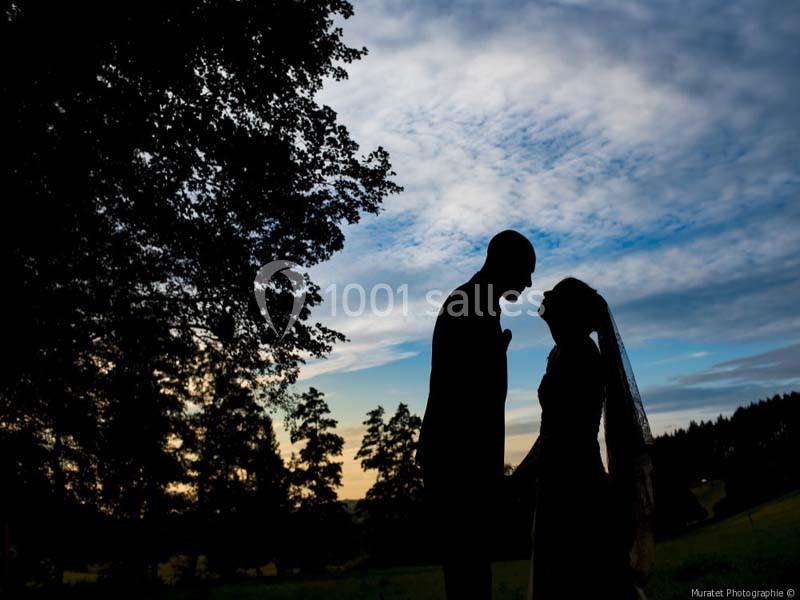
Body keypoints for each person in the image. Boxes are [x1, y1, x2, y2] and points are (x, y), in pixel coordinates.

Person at [513, 277, 655, 600]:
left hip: (575, 486)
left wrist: (518, 478)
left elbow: (562, 436)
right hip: (556, 483)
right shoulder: (560, 353)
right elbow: (549, 431)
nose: (545, 294)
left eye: (556, 295)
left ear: (569, 314)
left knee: (580, 580)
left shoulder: (581, 357)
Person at [417, 230, 535, 600]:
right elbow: (466, 397)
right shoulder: (470, 304)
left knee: (470, 570)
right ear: (506, 263)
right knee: (468, 573)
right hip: (458, 462)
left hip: (458, 460)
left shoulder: (478, 303)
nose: (530, 282)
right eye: (526, 271)